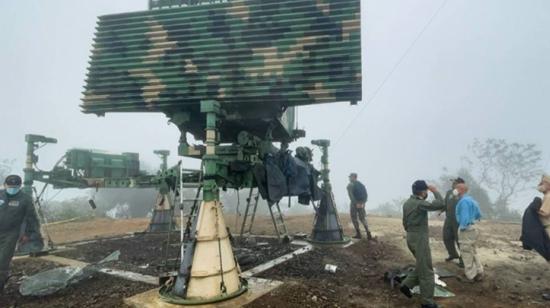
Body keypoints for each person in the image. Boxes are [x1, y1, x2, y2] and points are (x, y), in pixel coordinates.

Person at [400, 180, 445, 308]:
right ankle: (427, 302)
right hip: (419, 239)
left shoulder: (407, 203)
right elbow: (440, 204)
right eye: (426, 191)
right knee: (427, 271)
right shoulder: (420, 204)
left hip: (410, 236)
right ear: (423, 191)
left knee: (422, 265)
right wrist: (435, 191)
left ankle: (406, 284)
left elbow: (404, 222)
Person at [0, 175, 40, 293]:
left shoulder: (25, 199)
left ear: (20, 186)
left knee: (2, 260)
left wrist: (28, 234)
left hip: (11, 234)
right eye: (10, 186)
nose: (12, 188)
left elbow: (31, 218)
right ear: (5, 185)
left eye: (15, 187)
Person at [455, 183, 483, 282]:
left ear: (460, 190)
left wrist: (463, 227)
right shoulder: (473, 201)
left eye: (456, 188)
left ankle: (470, 275)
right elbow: (479, 215)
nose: (454, 190)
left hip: (466, 228)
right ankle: (479, 271)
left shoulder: (463, 202)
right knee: (473, 250)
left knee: (466, 251)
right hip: (474, 227)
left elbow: (464, 217)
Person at [441, 177, 465, 265]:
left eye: (454, 183)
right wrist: (441, 210)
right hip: (449, 219)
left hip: (459, 221)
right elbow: (445, 204)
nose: (452, 184)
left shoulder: (463, 194)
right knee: (446, 237)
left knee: (460, 240)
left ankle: (463, 260)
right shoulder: (449, 193)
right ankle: (453, 254)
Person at [347, 173, 373, 240]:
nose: (349, 178)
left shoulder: (350, 185)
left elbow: (351, 196)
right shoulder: (362, 185)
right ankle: (368, 233)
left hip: (354, 204)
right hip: (362, 204)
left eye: (350, 177)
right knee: (362, 218)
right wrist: (363, 203)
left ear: (354, 177)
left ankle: (358, 234)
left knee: (354, 218)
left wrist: (356, 203)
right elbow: (366, 195)